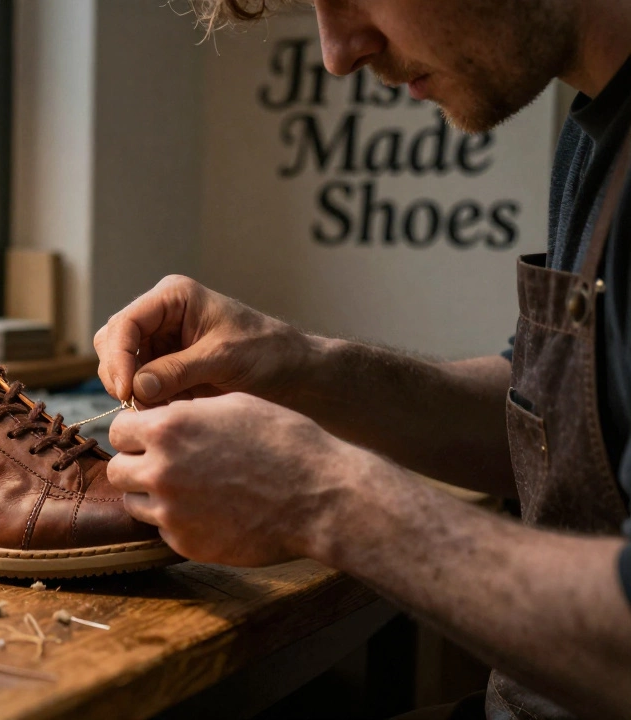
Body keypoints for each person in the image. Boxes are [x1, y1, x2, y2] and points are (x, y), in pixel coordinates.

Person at [96, 1, 631, 718]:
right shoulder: (598, 127)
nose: (338, 51)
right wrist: (298, 363)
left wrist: (322, 499)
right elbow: (552, 423)